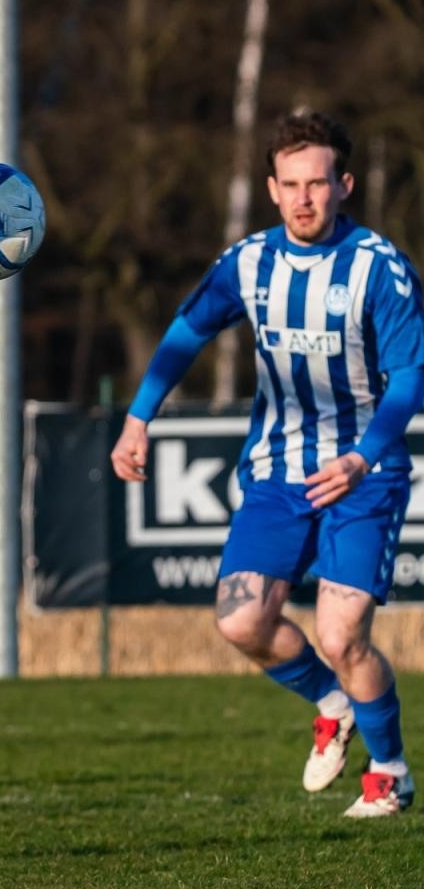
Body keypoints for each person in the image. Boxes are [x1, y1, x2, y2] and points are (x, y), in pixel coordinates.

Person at [111, 110, 418, 819]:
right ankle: (332, 704)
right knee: (240, 620)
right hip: (278, 472)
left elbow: (408, 378)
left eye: (318, 182)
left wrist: (363, 456)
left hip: (361, 474)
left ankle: (392, 771)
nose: (304, 197)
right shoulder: (248, 262)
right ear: (272, 189)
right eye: (291, 184)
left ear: (344, 184)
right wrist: (137, 418)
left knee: (343, 634)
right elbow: (186, 332)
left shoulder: (379, 267)